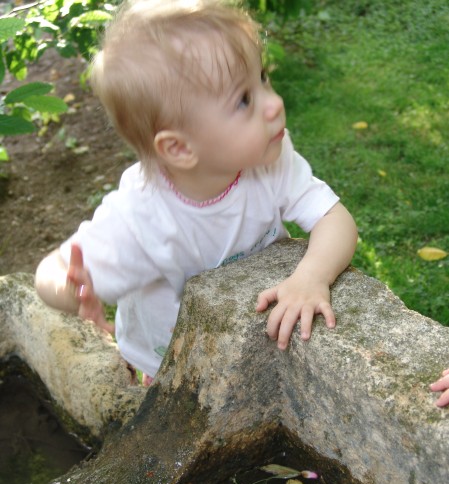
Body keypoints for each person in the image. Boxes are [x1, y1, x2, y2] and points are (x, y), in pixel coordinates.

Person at [35, 0, 358, 386]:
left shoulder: (269, 161)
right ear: (179, 148)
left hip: (249, 333)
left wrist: (311, 277)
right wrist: (70, 289)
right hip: (172, 361)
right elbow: (53, 271)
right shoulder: (140, 217)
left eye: (262, 78)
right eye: (243, 99)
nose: (274, 104)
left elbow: (334, 218)